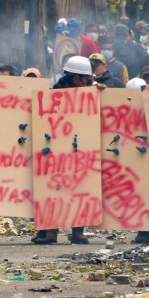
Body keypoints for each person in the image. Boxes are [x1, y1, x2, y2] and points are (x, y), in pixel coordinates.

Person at [33, 56, 101, 245]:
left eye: (88, 79)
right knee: (54, 188)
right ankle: (51, 232)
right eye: (84, 78)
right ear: (74, 77)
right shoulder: (55, 93)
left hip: (80, 148)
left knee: (79, 188)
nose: (86, 82)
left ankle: (77, 231)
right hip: (56, 148)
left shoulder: (90, 94)